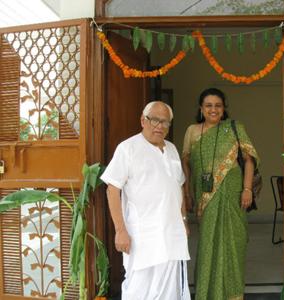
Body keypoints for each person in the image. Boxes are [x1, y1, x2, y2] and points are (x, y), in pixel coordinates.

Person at [101, 101, 191, 300]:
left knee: (171, 289)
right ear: (143, 120)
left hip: (172, 233)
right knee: (139, 289)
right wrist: (120, 231)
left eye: (165, 122)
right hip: (142, 235)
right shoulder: (127, 148)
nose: (159, 126)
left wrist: (183, 221)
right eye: (154, 120)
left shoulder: (172, 149)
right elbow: (112, 190)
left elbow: (178, 188)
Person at [182, 88, 259, 299]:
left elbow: (249, 159)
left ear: (224, 108)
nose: (213, 109)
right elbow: (186, 165)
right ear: (201, 109)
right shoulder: (192, 131)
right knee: (208, 243)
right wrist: (187, 193)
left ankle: (233, 294)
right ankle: (207, 293)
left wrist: (247, 189)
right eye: (208, 105)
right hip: (204, 197)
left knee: (234, 243)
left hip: (234, 194)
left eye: (218, 105)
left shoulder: (234, 128)